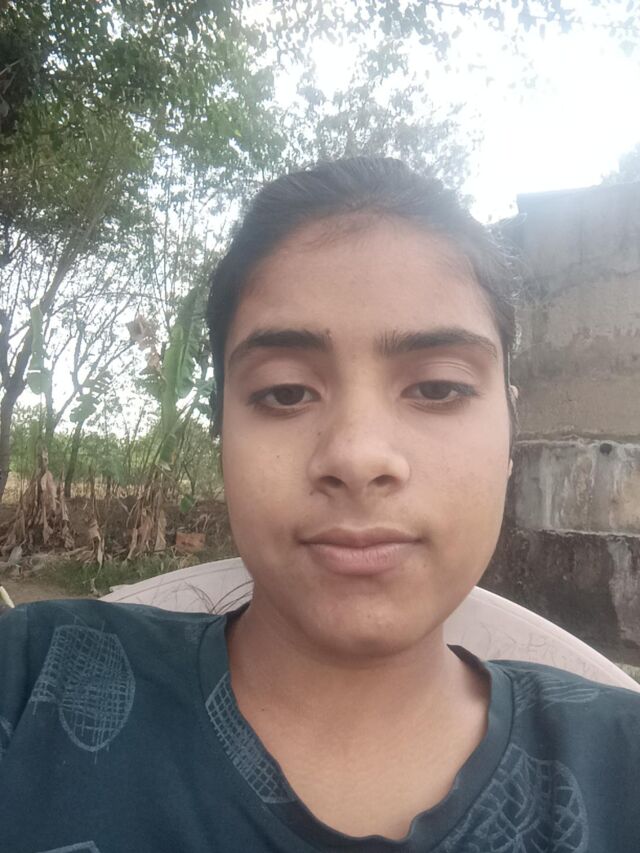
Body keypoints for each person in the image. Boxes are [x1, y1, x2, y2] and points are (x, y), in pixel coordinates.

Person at [0, 157, 639, 853]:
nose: (357, 457)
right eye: (285, 392)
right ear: (223, 433)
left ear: (511, 430)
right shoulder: (33, 682)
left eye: (437, 388)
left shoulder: (620, 761)